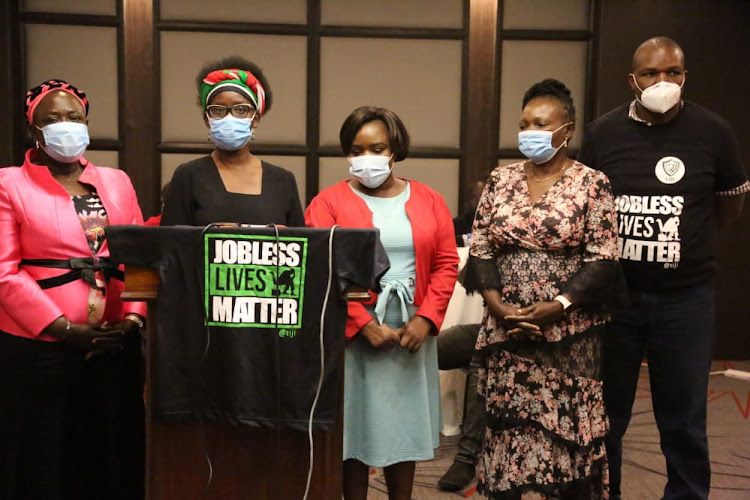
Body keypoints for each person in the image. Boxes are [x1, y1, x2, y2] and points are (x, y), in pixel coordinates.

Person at [578, 37, 749, 500]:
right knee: (605, 415)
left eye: (673, 72)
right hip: (614, 298)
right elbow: (582, 205)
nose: (663, 82)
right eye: (651, 74)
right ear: (632, 80)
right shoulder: (601, 133)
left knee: (685, 417)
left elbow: (728, 205)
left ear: (685, 76)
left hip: (685, 300)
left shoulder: (714, 131)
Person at [463, 78, 620, 499]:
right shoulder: (501, 179)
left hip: (569, 334)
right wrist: (499, 307)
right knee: (507, 431)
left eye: (540, 123)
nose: (528, 131)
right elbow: (479, 247)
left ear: (567, 130)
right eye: (524, 122)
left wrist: (559, 304)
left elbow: (603, 257)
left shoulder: (593, 184)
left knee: (566, 436)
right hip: (505, 329)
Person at [0, 79, 147, 499]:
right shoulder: (9, 184)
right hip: (38, 349)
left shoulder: (117, 181)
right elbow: (4, 272)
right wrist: (62, 328)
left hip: (114, 346)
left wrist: (134, 317)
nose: (65, 126)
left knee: (110, 454)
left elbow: (139, 255)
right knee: (44, 456)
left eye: (73, 117)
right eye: (52, 120)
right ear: (35, 131)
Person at [305, 106, 458, 500]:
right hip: (353, 330)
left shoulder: (430, 200)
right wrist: (361, 323)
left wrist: (427, 318)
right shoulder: (327, 204)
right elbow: (320, 270)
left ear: (395, 150)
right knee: (355, 428)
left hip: (412, 328)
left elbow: (446, 264)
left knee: (402, 426)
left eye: (377, 148)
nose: (366, 158)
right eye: (357, 150)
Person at [161, 56, 304, 227]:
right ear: (208, 120)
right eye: (218, 110)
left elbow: (301, 245)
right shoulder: (188, 176)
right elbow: (171, 245)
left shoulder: (283, 180)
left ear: (255, 118)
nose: (229, 118)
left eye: (241, 109)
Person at [436, 322, 484, 492]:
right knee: (431, 347)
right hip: (494, 326)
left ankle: (466, 458)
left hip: (545, 334)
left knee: (484, 358)